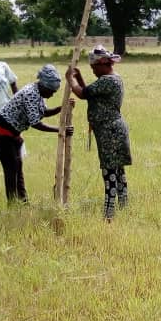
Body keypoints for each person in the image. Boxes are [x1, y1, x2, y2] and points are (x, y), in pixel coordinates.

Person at [0, 64, 72, 204]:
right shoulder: (31, 93)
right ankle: (13, 203)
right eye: (51, 91)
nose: (52, 95)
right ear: (44, 85)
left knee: (18, 166)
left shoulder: (38, 92)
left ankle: (23, 201)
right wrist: (60, 130)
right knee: (11, 167)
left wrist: (61, 108)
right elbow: (36, 123)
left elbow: (43, 112)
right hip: (0, 132)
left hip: (12, 133)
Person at [66, 45, 132, 221]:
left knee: (109, 171)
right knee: (118, 169)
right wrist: (78, 76)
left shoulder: (107, 80)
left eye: (94, 67)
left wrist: (70, 80)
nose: (93, 70)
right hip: (113, 130)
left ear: (103, 64)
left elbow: (83, 93)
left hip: (109, 131)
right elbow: (90, 93)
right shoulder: (112, 78)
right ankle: (123, 206)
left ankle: (109, 212)